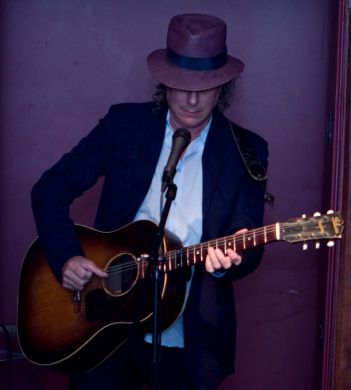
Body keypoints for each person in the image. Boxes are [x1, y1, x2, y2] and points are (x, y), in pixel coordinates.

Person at [31, 13, 268, 390]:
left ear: (223, 87)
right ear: (164, 81)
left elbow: (249, 240)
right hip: (103, 321)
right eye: (181, 85)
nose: (192, 99)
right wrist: (66, 257)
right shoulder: (124, 126)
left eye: (204, 87)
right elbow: (49, 188)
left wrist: (228, 262)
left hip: (191, 335)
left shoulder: (247, 152)